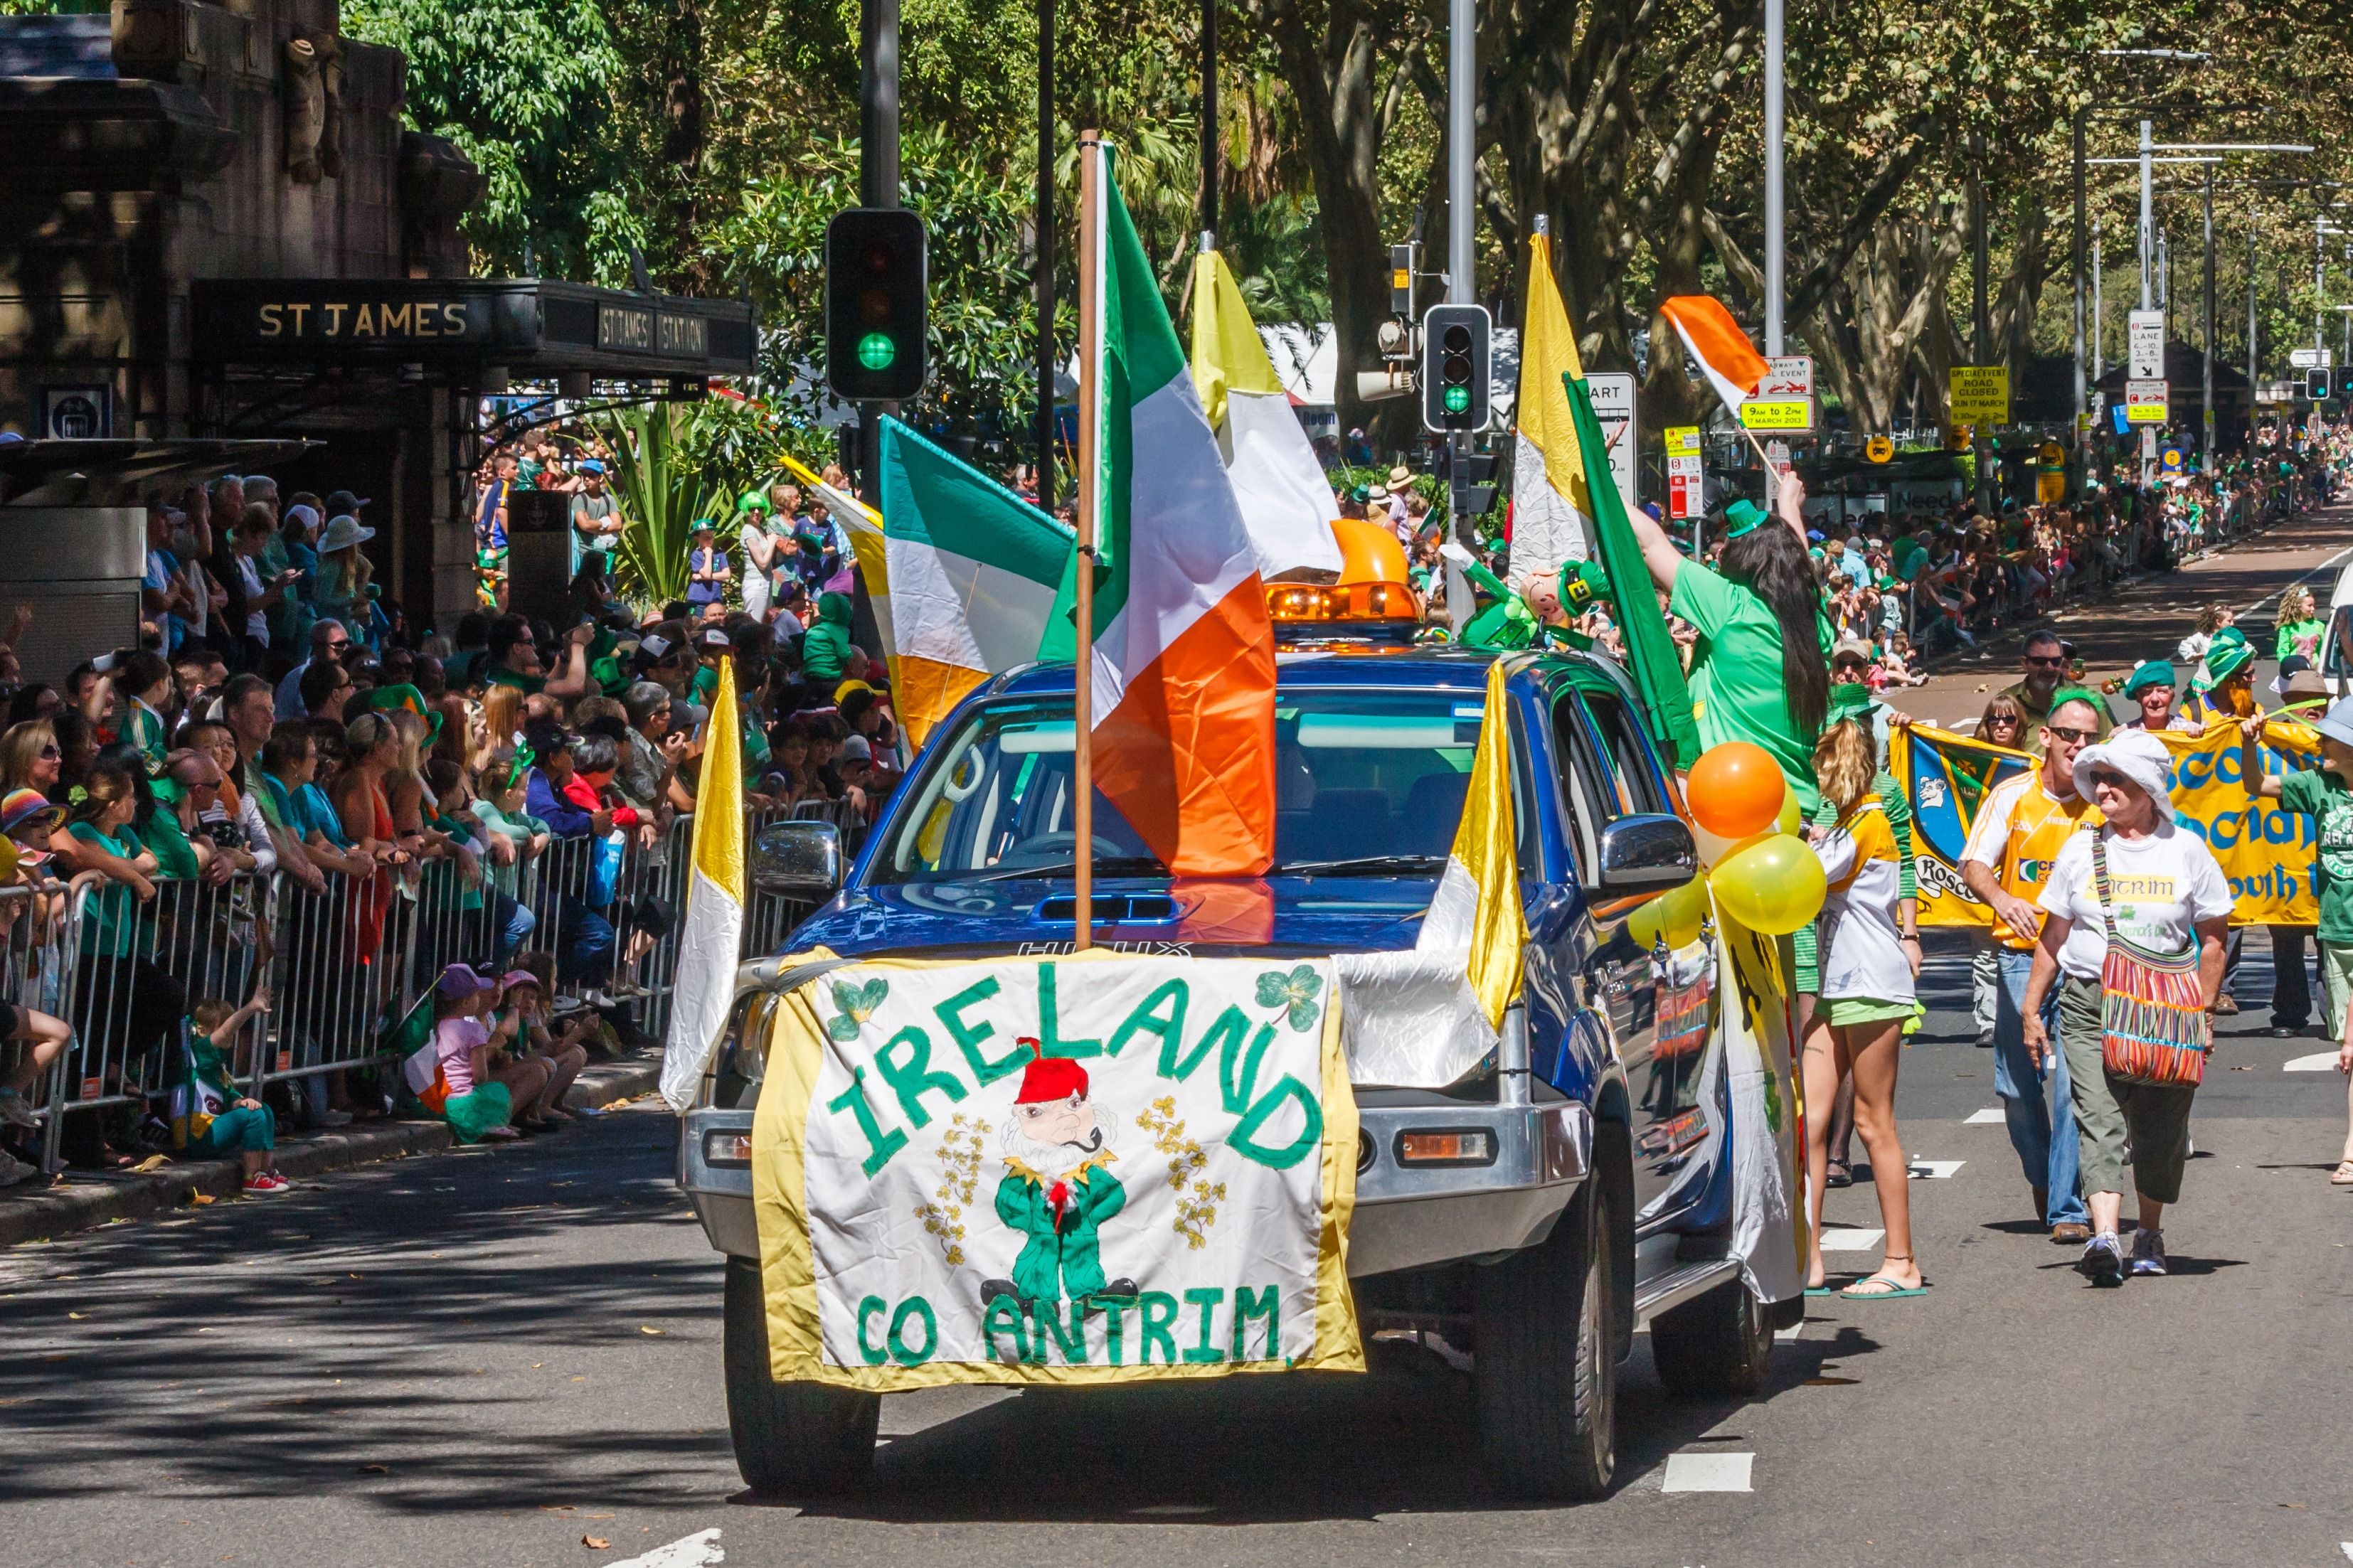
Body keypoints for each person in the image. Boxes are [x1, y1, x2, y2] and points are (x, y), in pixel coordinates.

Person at [2021, 728, 2230, 1284]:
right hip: (2091, 1002)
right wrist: (2031, 1007)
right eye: (2101, 779)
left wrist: (2204, 1013)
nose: (2104, 788)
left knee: (2161, 1127)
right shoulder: (2080, 849)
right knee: (2099, 1118)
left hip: (2168, 1007)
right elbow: (2054, 934)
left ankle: (2150, 1231)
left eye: (2117, 779)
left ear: (2149, 788)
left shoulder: (2186, 849)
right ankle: (2106, 1236)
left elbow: (2213, 936)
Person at [1960, 689, 2105, 1243]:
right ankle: (2045, 1178)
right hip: (2020, 957)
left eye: (2090, 737)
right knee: (2018, 1087)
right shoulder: (2012, 795)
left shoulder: (2104, 798)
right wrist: (2002, 899)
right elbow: (1975, 863)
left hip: (2082, 960)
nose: (2079, 745)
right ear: (2046, 737)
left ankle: (2068, 1204)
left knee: (2073, 1083)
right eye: (2070, 734)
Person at [1802, 687, 1925, 1298]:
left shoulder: (1870, 819)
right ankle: (1810, 1257)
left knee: (1876, 1122)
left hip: (1872, 982)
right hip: (1836, 982)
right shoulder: (1851, 821)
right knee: (1812, 1120)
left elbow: (1810, 877)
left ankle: (1901, 1259)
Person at [1630, 479, 1831, 814]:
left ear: (1743, 558)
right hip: (1797, 808)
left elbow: (1649, 544)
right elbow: (1798, 569)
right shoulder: (1814, 621)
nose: (1719, 552)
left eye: (1727, 547)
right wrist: (1789, 507)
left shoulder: (1729, 606)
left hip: (1733, 806)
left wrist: (1598, 478)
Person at [2238, 693, 2353, 1183]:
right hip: (2336, 935)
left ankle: (2351, 1148)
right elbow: (2257, 784)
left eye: (2329, 736)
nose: (2319, 740)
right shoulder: (2318, 785)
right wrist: (2250, 745)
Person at [174, 988, 292, 1193]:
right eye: (225, 1023)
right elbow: (226, 1031)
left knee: (264, 1110)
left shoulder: (217, 1066)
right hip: (195, 1136)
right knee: (253, 1117)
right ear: (204, 1030)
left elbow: (231, 1099)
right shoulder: (200, 1051)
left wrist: (242, 1102)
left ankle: (266, 1170)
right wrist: (251, 1008)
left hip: (209, 1130)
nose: (232, 1032)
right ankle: (251, 1177)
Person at [2000, 629, 2111, 740]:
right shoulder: (2004, 702)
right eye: (2040, 661)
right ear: (2024, 663)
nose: (2049, 667)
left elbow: (2109, 746)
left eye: (2056, 661)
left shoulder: (2090, 700)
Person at [2118, 661, 2197, 733]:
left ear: (2172, 697)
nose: (2155, 699)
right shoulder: (2127, 733)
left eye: (2162, 691)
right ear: (2139, 698)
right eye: (2147, 692)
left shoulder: (2187, 730)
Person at [2275, 584, 2325, 665]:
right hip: (2294, 669)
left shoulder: (2319, 626)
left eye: (2313, 605)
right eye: (2309, 606)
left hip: (2314, 670)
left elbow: (2323, 650)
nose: (2313, 609)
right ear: (2298, 606)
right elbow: (2282, 651)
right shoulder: (2287, 628)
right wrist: (2287, 665)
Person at [686, 521, 732, 608]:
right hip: (698, 600)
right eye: (706, 538)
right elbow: (706, 574)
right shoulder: (696, 555)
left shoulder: (720, 554)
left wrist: (702, 577)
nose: (709, 540)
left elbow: (727, 574)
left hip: (715, 598)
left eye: (711, 537)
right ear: (697, 539)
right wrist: (708, 554)